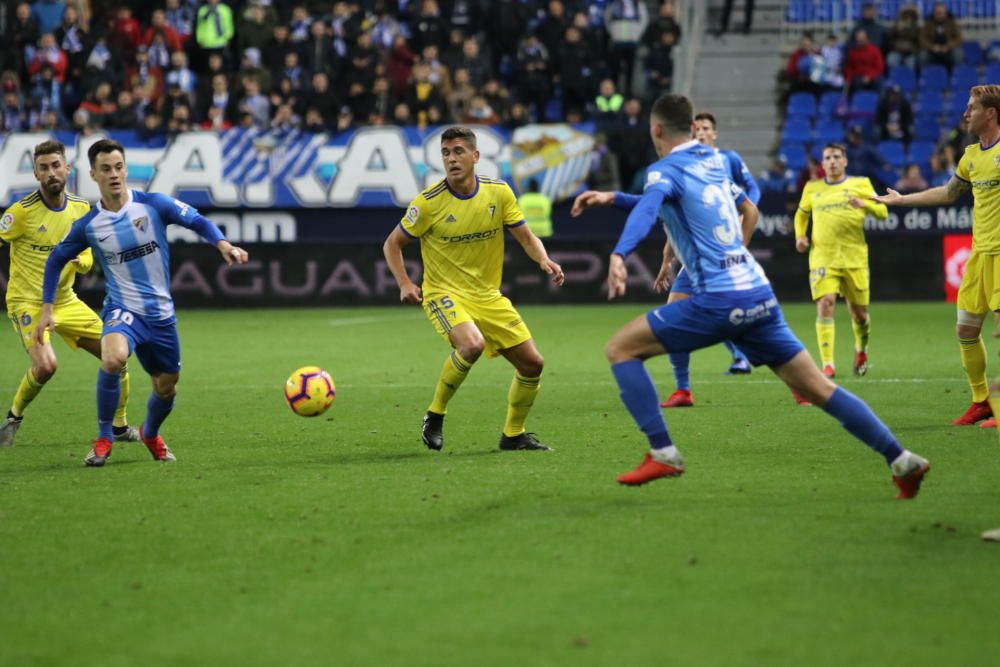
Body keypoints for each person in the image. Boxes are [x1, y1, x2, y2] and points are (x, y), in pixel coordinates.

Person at [600, 93, 929, 499]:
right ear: (692, 127)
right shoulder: (716, 162)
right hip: (757, 291)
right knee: (819, 390)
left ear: (656, 130)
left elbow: (651, 208)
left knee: (620, 349)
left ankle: (663, 451)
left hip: (718, 298)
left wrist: (619, 253)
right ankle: (901, 459)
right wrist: (614, 198)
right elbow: (727, 206)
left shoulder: (662, 170)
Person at [35, 139, 249, 466]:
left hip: (161, 317)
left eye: (119, 167)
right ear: (93, 175)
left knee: (166, 389)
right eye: (106, 169)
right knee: (112, 358)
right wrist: (47, 308)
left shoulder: (153, 205)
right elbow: (55, 260)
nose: (114, 174)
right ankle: (104, 438)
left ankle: (150, 432)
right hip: (123, 310)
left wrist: (222, 244)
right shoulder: (90, 225)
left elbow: (197, 220)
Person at [383, 126, 565, 452]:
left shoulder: (498, 193)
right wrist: (405, 283)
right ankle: (435, 414)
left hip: (487, 296)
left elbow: (525, 236)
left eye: (458, 152)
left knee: (532, 364)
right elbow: (392, 244)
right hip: (443, 292)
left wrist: (544, 259)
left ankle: (513, 435)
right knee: (471, 345)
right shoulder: (428, 203)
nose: (451, 159)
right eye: (446, 153)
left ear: (475, 156)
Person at [873, 85, 1000, 427]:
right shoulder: (972, 155)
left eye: (972, 107)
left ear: (991, 113)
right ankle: (981, 402)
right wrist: (902, 200)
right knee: (966, 329)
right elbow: (948, 193)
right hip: (979, 255)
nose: (965, 114)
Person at [0, 140, 139, 447]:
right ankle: (13, 417)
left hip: (66, 301)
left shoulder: (80, 209)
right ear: (36, 175)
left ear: (67, 169)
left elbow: (91, 255)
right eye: (43, 168)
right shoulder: (20, 213)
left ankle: (119, 425)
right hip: (28, 302)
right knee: (47, 366)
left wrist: (83, 261)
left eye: (55, 165)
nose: (51, 172)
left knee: (118, 356)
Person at [795, 143, 886, 378]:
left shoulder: (861, 184)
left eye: (836, 157)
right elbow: (801, 214)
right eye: (828, 157)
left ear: (845, 161)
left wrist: (864, 204)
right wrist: (801, 236)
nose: (832, 161)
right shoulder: (812, 188)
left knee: (860, 314)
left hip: (854, 257)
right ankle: (828, 364)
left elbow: (883, 212)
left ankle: (861, 350)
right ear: (823, 164)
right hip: (823, 257)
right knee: (826, 302)